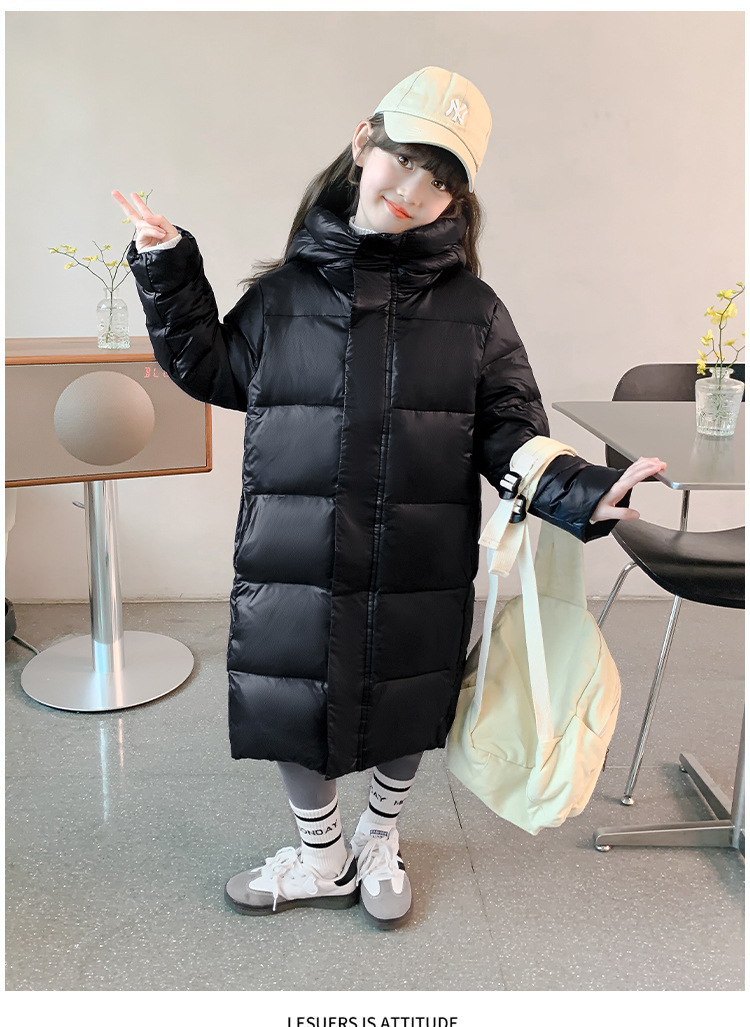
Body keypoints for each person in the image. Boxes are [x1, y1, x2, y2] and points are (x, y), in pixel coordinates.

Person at [113, 66, 665, 931]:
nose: (412, 189)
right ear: (363, 141)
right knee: (293, 700)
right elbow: (211, 368)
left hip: (419, 554)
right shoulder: (284, 296)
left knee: (410, 698)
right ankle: (321, 855)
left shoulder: (474, 311)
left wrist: (580, 491)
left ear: (457, 200)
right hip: (294, 553)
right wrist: (167, 265)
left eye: (438, 180)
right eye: (404, 159)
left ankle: (379, 837)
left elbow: (510, 427)